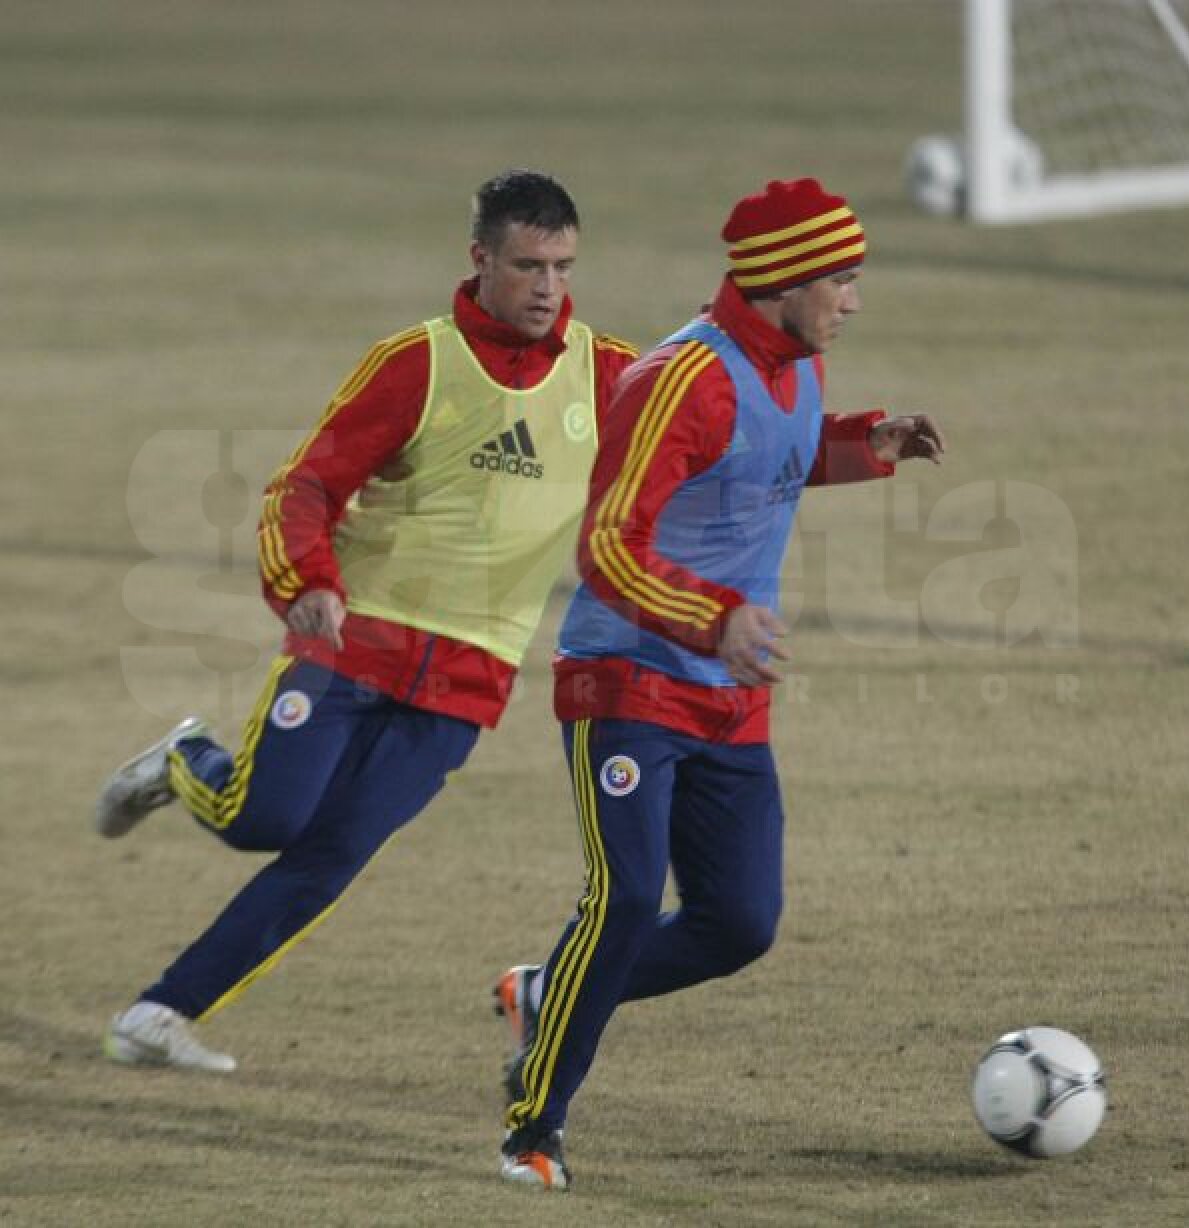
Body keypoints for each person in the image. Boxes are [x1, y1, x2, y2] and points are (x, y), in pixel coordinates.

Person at [94, 169, 637, 1073]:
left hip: (469, 673)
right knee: (263, 817)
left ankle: (158, 1014)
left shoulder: (608, 372)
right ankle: (182, 759)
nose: (548, 287)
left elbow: (721, 426)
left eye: (563, 267)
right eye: (528, 265)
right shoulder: (417, 362)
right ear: (480, 258)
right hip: (354, 640)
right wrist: (306, 582)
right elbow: (305, 486)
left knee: (333, 855)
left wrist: (855, 446)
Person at [492, 176, 946, 1189]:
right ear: (784, 280)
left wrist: (863, 445)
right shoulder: (679, 379)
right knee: (623, 898)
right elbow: (609, 545)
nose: (853, 300)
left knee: (738, 923)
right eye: (840, 279)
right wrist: (714, 615)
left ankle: (548, 991)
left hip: (728, 691)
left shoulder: (797, 364)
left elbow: (762, 460)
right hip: (626, 678)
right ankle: (533, 1127)